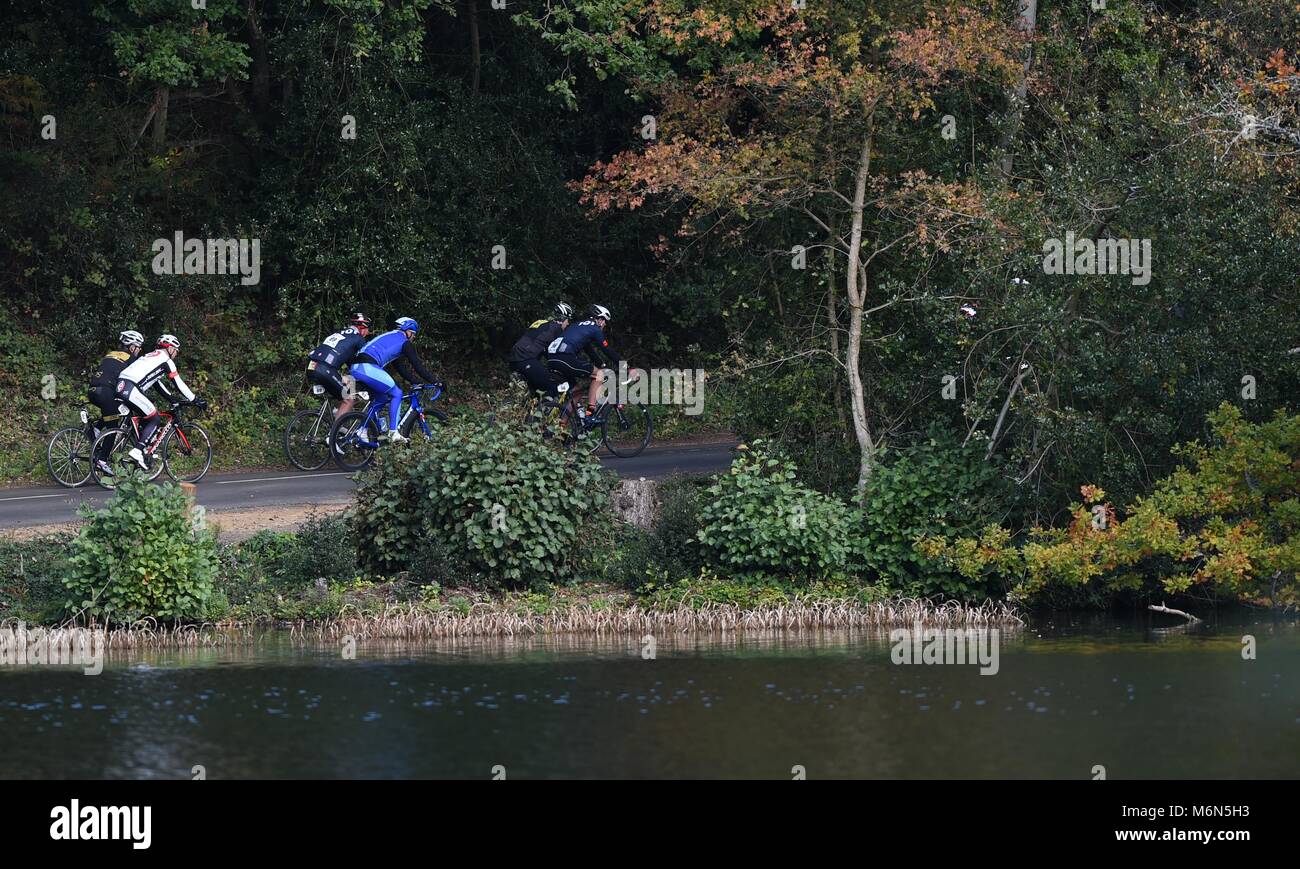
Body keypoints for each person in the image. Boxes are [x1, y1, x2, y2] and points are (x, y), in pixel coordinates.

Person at [114, 334, 206, 469]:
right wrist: (195, 399)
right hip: (131, 388)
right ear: (170, 348)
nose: (176, 354)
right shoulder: (166, 361)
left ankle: (142, 449)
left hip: (121, 385)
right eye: (176, 350)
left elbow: (156, 383)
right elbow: (178, 383)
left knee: (145, 417)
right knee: (155, 418)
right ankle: (138, 450)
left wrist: (170, 398)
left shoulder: (150, 356)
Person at [349, 316, 439, 444]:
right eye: (413, 334)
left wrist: (416, 381)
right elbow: (417, 366)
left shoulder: (391, 338)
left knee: (382, 398)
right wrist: (435, 381)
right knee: (397, 393)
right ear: (408, 331)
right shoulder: (404, 342)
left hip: (356, 368)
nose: (413, 337)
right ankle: (393, 432)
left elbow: (401, 369)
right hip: (367, 368)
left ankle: (362, 430)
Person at [545, 304, 636, 417]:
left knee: (577, 392)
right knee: (599, 375)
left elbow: (589, 350)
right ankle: (590, 411)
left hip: (552, 360)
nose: (604, 325)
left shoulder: (576, 325)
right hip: (565, 357)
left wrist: (601, 364)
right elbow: (607, 350)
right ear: (600, 320)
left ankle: (561, 429)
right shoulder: (594, 328)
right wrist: (627, 368)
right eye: (605, 322)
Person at [87, 330, 144, 474]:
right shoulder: (130, 359)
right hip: (106, 392)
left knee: (113, 410)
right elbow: (135, 380)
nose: (139, 350)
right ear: (132, 347)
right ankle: (102, 460)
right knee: (113, 426)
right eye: (138, 347)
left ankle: (96, 428)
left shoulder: (110, 354)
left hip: (93, 391)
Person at [306, 313, 371, 418]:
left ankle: (338, 414)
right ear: (362, 327)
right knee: (349, 398)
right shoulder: (358, 339)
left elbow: (349, 362)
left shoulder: (341, 334)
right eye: (368, 329)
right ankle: (334, 431)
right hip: (325, 368)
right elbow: (363, 360)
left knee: (348, 384)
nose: (368, 332)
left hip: (311, 366)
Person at [508, 302, 572, 398]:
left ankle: (530, 408)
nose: (568, 323)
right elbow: (556, 353)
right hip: (526, 359)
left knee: (535, 390)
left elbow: (540, 345)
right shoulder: (557, 329)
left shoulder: (541, 323)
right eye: (568, 320)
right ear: (562, 319)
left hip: (513, 359)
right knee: (551, 387)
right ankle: (542, 412)